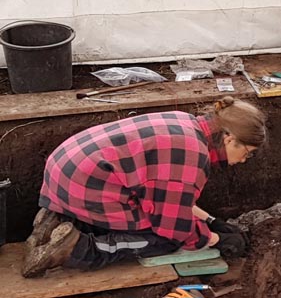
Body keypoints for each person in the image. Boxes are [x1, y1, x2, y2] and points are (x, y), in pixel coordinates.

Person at [21, 96, 268, 278]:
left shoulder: (186, 124)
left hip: (66, 172)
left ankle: (59, 220)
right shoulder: (193, 157)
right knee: (166, 239)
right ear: (229, 138)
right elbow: (172, 225)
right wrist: (212, 239)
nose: (242, 161)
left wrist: (212, 220)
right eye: (246, 153)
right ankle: (77, 248)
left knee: (150, 215)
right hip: (86, 184)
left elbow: (170, 198)